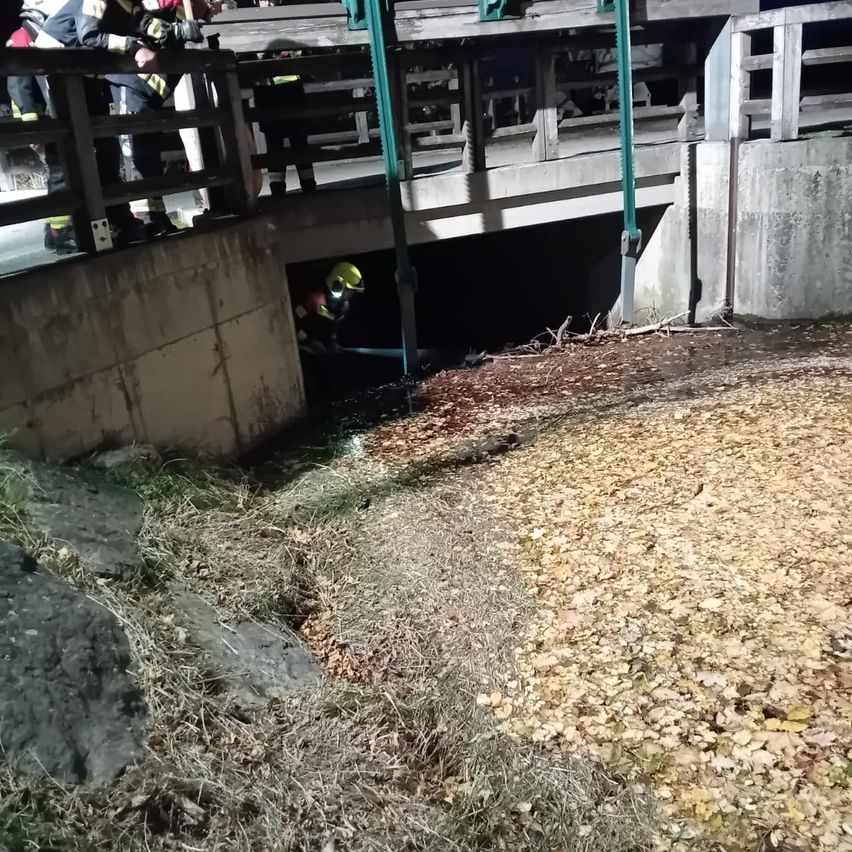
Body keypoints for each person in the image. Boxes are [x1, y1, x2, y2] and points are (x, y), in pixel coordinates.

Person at [37, 0, 218, 239]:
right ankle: (61, 229)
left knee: (106, 145)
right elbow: (89, 34)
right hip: (55, 66)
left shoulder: (130, 2)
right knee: (67, 147)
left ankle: (120, 217)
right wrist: (134, 46)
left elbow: (145, 22)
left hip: (85, 71)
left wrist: (177, 31)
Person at [6, 0, 76, 253]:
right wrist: (35, 127)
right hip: (45, 120)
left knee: (69, 170)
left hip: (58, 114)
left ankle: (64, 227)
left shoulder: (49, 30)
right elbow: (19, 86)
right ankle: (59, 231)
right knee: (60, 172)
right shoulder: (22, 35)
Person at [252, 47, 317, 196]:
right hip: (288, 99)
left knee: (278, 148)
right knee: (297, 146)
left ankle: (279, 189)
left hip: (272, 101)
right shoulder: (289, 51)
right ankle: (307, 186)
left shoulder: (261, 55)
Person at [294, 261, 364, 356]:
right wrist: (308, 341)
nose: (350, 296)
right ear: (337, 284)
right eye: (349, 291)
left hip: (317, 355)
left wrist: (332, 342)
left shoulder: (343, 307)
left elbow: (332, 328)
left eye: (352, 292)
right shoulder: (315, 299)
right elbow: (292, 322)